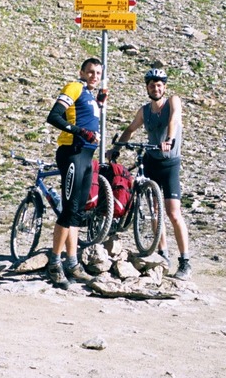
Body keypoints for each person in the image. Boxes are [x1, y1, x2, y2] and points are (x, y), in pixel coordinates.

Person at [110, 68, 192, 280]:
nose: (156, 88)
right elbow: (130, 129)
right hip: (152, 161)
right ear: (147, 87)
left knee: (173, 213)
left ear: (164, 87)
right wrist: (117, 147)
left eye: (159, 85)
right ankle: (162, 254)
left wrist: (170, 140)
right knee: (155, 212)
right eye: (152, 85)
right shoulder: (144, 111)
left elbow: (173, 120)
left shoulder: (173, 101)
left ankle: (185, 261)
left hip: (170, 163)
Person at [44, 57, 105, 288]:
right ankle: (54, 263)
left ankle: (72, 263)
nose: (94, 76)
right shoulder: (74, 87)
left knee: (78, 211)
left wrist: (98, 103)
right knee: (69, 209)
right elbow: (54, 116)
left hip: (87, 156)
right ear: (81, 72)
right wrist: (80, 132)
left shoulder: (90, 94)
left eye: (98, 72)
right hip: (72, 152)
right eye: (90, 72)